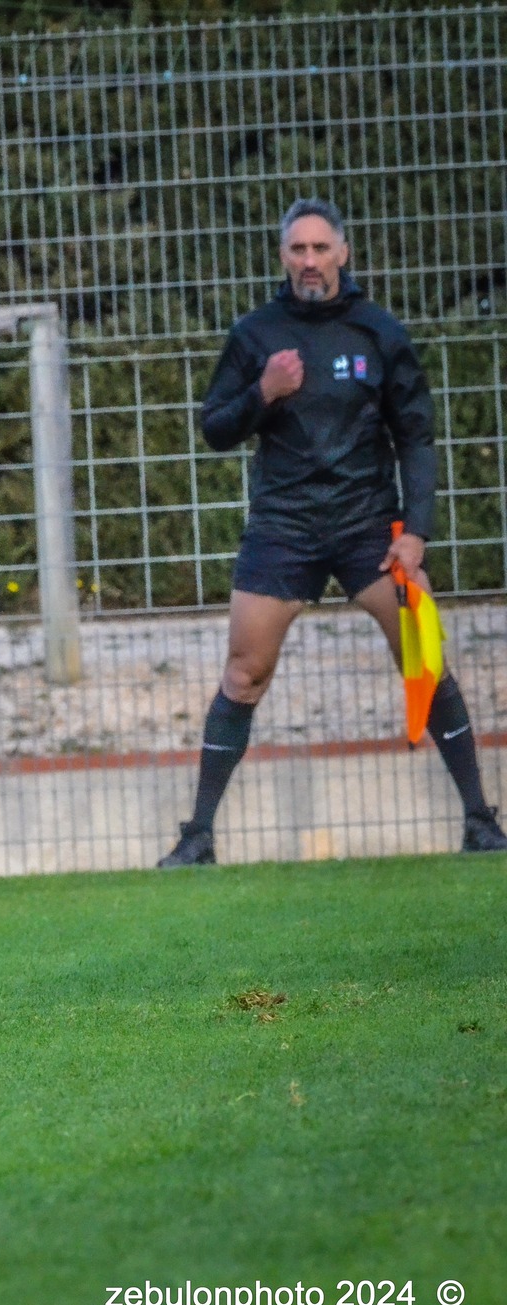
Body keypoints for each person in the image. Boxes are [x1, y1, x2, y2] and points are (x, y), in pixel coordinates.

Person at [160, 199, 505, 866]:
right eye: (298, 249)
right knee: (244, 674)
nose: (310, 261)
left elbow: (416, 437)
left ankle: (480, 822)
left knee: (425, 656)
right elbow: (215, 428)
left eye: (321, 248)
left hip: (368, 529)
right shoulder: (256, 334)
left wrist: (417, 532)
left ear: (343, 253)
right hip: (283, 529)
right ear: (283, 256)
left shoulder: (379, 331)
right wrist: (264, 391)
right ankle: (197, 838)